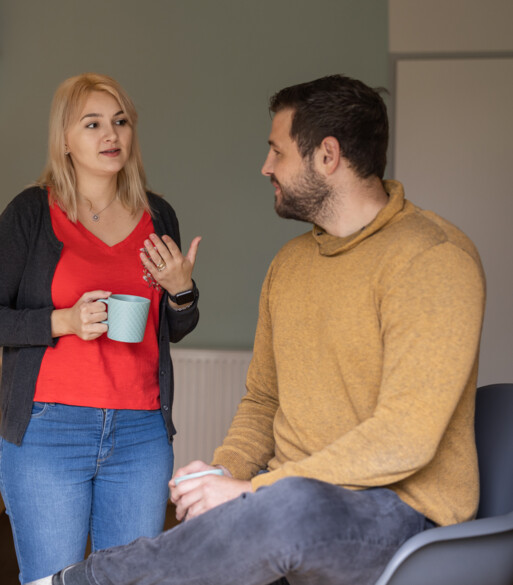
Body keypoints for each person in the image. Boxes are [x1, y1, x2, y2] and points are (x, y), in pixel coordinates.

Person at [44, 74, 485, 585]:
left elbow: (404, 439)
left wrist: (256, 491)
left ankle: (76, 583)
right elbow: (262, 401)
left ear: (327, 155)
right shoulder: (291, 264)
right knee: (264, 509)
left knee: (285, 507)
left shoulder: (432, 260)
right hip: (289, 503)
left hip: (401, 515)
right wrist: (224, 474)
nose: (265, 167)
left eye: (276, 151)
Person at [0, 73, 201, 584]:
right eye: (92, 124)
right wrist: (62, 321)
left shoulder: (158, 216)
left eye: (119, 122)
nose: (110, 135)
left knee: (129, 579)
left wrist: (181, 290)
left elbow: (175, 328)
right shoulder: (31, 213)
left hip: (140, 434)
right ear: (64, 141)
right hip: (50, 432)